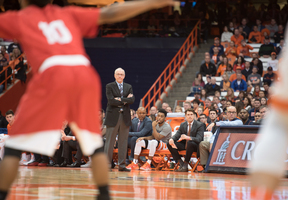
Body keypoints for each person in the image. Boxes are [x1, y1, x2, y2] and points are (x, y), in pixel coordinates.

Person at [0, 0, 178, 199]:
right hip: (84, 73)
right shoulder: (67, 13)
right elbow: (112, 12)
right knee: (94, 145)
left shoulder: (20, 18)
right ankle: (104, 194)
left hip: (52, 72)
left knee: (14, 146)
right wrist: (153, 2)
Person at [105, 68, 135, 172]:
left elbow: (132, 100)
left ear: (124, 76)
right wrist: (125, 100)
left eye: (121, 74)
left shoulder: (128, 86)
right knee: (109, 142)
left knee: (123, 142)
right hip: (112, 116)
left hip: (125, 116)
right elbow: (111, 101)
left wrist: (120, 99)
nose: (120, 76)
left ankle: (122, 165)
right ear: (114, 75)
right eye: (118, 74)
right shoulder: (109, 86)